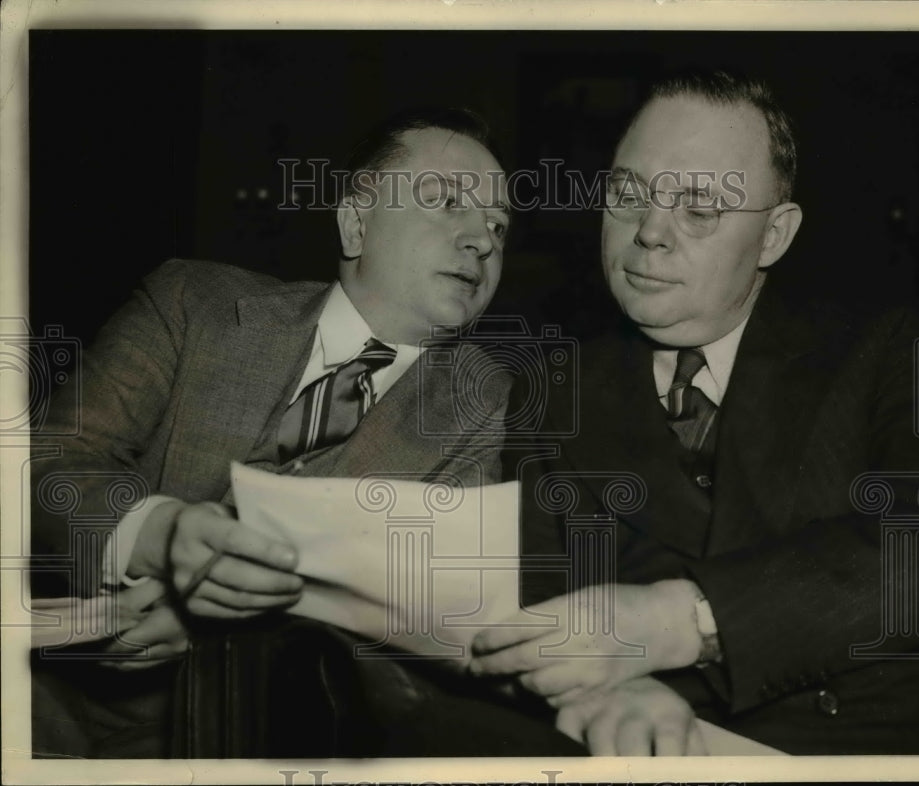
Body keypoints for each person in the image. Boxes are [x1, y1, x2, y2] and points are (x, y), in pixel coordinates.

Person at [471, 71, 919, 755]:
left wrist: (682, 621)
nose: (650, 233)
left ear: (773, 236)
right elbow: (540, 605)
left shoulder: (891, 349)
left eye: (700, 208)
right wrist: (608, 689)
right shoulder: (553, 390)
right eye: (628, 194)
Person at [29, 107, 549, 757]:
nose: (482, 241)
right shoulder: (193, 302)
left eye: (498, 225)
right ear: (356, 223)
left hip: (261, 744)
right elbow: (46, 462)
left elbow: (434, 614)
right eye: (447, 203)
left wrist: (212, 627)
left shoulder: (494, 408)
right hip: (41, 696)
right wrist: (157, 535)